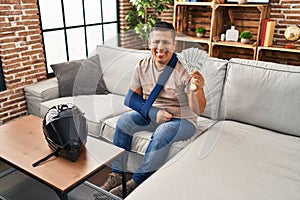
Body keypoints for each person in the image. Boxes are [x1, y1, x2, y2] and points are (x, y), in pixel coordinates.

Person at [99, 21, 206, 198]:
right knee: (124, 122)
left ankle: (136, 182)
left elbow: (198, 110)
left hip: (182, 120)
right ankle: (117, 175)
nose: (160, 47)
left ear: (174, 44)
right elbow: (131, 98)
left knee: (164, 131)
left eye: (166, 42)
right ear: (149, 43)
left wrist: (197, 90)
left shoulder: (184, 69)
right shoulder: (142, 65)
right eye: (156, 41)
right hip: (152, 115)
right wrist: (154, 113)